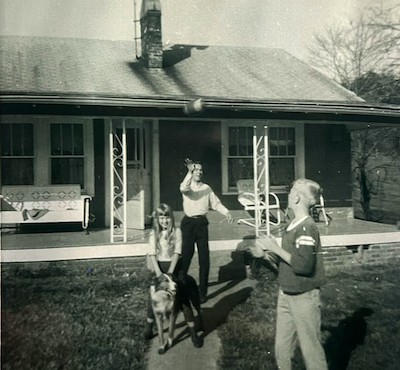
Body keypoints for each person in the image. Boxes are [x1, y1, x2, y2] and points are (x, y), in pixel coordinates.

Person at [249, 178, 327, 370]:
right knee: (282, 350)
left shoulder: (306, 227)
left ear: (298, 198)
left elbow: (304, 266)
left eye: (292, 191)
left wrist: (275, 247)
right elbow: (287, 263)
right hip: (286, 294)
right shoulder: (292, 225)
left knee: (312, 353)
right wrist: (265, 255)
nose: (289, 194)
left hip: (304, 297)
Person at [144, 203, 202, 347]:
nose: (164, 221)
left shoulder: (177, 232)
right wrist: (159, 274)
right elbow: (152, 254)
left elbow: (177, 252)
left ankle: (194, 333)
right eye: (161, 218)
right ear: (157, 219)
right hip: (159, 268)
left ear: (171, 218)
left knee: (183, 300)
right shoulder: (153, 234)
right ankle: (149, 328)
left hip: (175, 268)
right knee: (153, 299)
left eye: (167, 217)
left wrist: (170, 272)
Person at [180, 159, 233, 303]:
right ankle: (180, 287)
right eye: (196, 169)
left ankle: (202, 292)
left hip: (201, 223)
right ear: (192, 171)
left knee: (204, 258)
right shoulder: (188, 186)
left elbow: (215, 203)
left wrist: (226, 212)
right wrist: (189, 172)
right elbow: (183, 188)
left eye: (200, 170)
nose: (199, 172)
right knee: (186, 255)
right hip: (189, 224)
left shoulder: (207, 188)